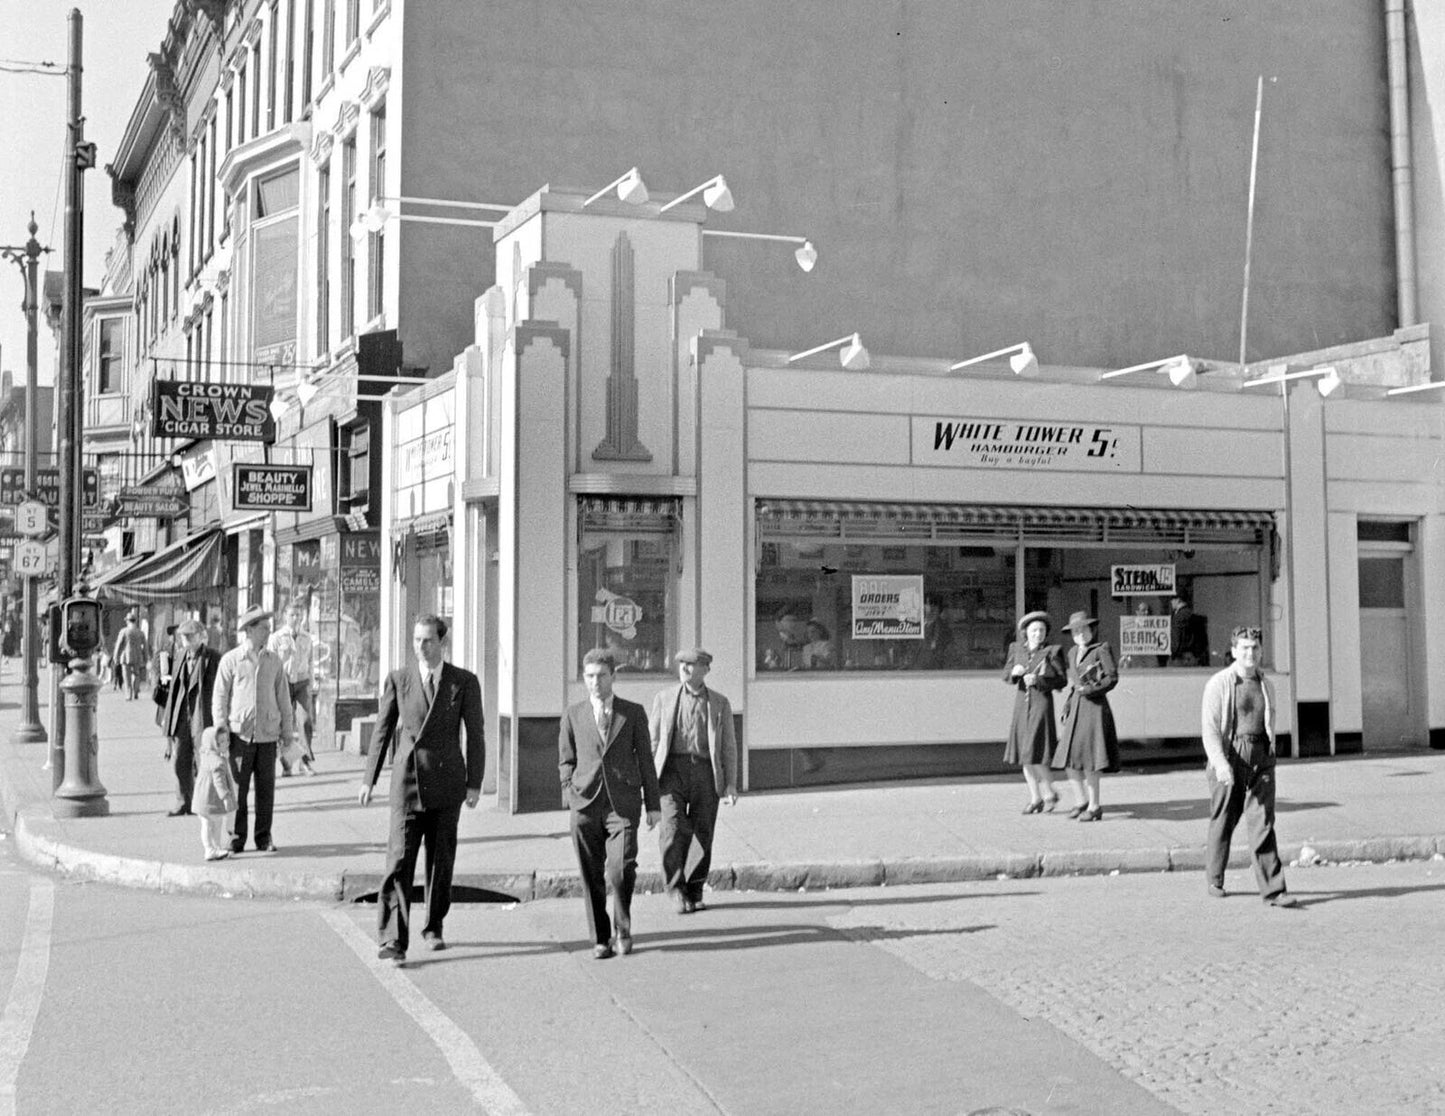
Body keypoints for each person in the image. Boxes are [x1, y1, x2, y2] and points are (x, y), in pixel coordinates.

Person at [359, 614, 485, 963]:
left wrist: (475, 783)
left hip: (446, 782)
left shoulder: (463, 682)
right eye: (416, 640)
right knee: (399, 859)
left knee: (440, 860)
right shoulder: (399, 680)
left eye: (428, 640)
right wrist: (369, 779)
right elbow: (383, 731)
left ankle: (434, 926)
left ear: (442, 642)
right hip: (407, 782)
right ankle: (392, 939)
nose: (421, 647)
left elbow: (476, 734)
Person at [559, 649, 661, 959]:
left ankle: (623, 928)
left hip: (622, 804)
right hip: (585, 804)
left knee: (621, 869)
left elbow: (645, 760)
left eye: (602, 675)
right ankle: (601, 938)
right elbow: (566, 760)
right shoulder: (573, 714)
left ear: (613, 676)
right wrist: (569, 793)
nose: (596, 682)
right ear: (584, 678)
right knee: (590, 874)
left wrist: (653, 805)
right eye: (590, 676)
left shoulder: (632, 713)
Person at [1201, 626, 1297, 907]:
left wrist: (1270, 753)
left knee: (1263, 822)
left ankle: (1274, 891)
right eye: (1244, 648)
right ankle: (1215, 878)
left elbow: (1269, 722)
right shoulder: (1219, 683)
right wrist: (1220, 763)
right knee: (1224, 819)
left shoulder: (1266, 685)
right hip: (1230, 755)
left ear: (1261, 651)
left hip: (1261, 757)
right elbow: (1210, 730)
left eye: (1255, 648)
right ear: (1234, 651)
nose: (1250, 653)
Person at [649, 648, 739, 914]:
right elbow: (653, 741)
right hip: (671, 771)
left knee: (703, 831)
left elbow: (729, 746)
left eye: (691, 664)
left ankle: (694, 889)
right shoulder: (664, 698)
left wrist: (731, 783)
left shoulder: (719, 703)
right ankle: (675, 888)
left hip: (705, 771)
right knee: (672, 828)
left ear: (705, 670)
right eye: (681, 664)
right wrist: (647, 781)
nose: (684, 668)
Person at [211, 607, 296, 854]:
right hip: (240, 735)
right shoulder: (231, 660)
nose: (268, 631)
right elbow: (219, 697)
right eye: (263, 628)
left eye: (269, 627)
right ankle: (236, 838)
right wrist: (220, 729)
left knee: (265, 790)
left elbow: (284, 699)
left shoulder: (273, 661)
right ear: (249, 630)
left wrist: (287, 732)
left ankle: (264, 837)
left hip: (267, 735)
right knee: (238, 789)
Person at [1053, 612, 1120, 822]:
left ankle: (1094, 806)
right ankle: (1081, 801)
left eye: (1084, 629)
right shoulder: (1072, 652)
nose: (1080, 634)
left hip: (1094, 709)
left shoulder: (1101, 649)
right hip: (1076, 708)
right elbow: (1075, 684)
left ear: (1092, 630)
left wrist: (1091, 689)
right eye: (1075, 631)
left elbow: (1112, 678)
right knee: (1069, 759)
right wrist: (1067, 705)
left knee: (1091, 760)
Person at [1002, 610, 1065, 813]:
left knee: (1033, 751)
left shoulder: (1052, 651)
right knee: (1025, 754)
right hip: (1022, 706)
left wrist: (1038, 680)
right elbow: (1006, 674)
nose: (1038, 634)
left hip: (1041, 704)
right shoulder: (1016, 649)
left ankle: (1049, 790)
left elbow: (1061, 680)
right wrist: (1014, 673)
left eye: (1042, 630)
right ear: (1026, 633)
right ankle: (1036, 798)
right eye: (1034, 630)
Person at [160, 619, 220, 818]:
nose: (186, 639)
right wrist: (167, 722)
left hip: (202, 716)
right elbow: (174, 691)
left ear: (201, 636)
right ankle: (183, 801)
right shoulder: (180, 656)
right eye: (183, 636)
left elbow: (220, 690)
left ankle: (203, 802)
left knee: (203, 762)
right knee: (180, 762)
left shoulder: (213, 658)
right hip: (182, 717)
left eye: (190, 636)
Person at [268, 603, 318, 776]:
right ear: (285, 616)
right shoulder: (276, 638)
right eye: (292, 615)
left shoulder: (307, 637)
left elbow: (310, 661)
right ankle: (287, 763)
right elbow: (270, 663)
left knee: (305, 721)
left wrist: (311, 682)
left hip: (302, 682)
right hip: (283, 682)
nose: (296, 618)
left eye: (298, 615)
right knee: (285, 724)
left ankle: (305, 762)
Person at [192, 726, 237, 860]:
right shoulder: (217, 762)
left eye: (227, 740)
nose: (226, 743)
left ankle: (214, 848)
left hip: (202, 797)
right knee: (214, 823)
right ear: (213, 744)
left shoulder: (206, 754)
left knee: (208, 823)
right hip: (211, 799)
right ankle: (211, 849)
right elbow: (219, 782)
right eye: (221, 741)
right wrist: (226, 797)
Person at [112, 611, 150, 701]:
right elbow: (145, 646)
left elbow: (118, 645)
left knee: (126, 676)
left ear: (127, 621)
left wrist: (115, 657)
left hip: (125, 657)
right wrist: (146, 658)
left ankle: (128, 694)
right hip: (137, 656)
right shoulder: (140, 632)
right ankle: (136, 690)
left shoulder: (124, 631)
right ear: (135, 621)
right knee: (136, 674)